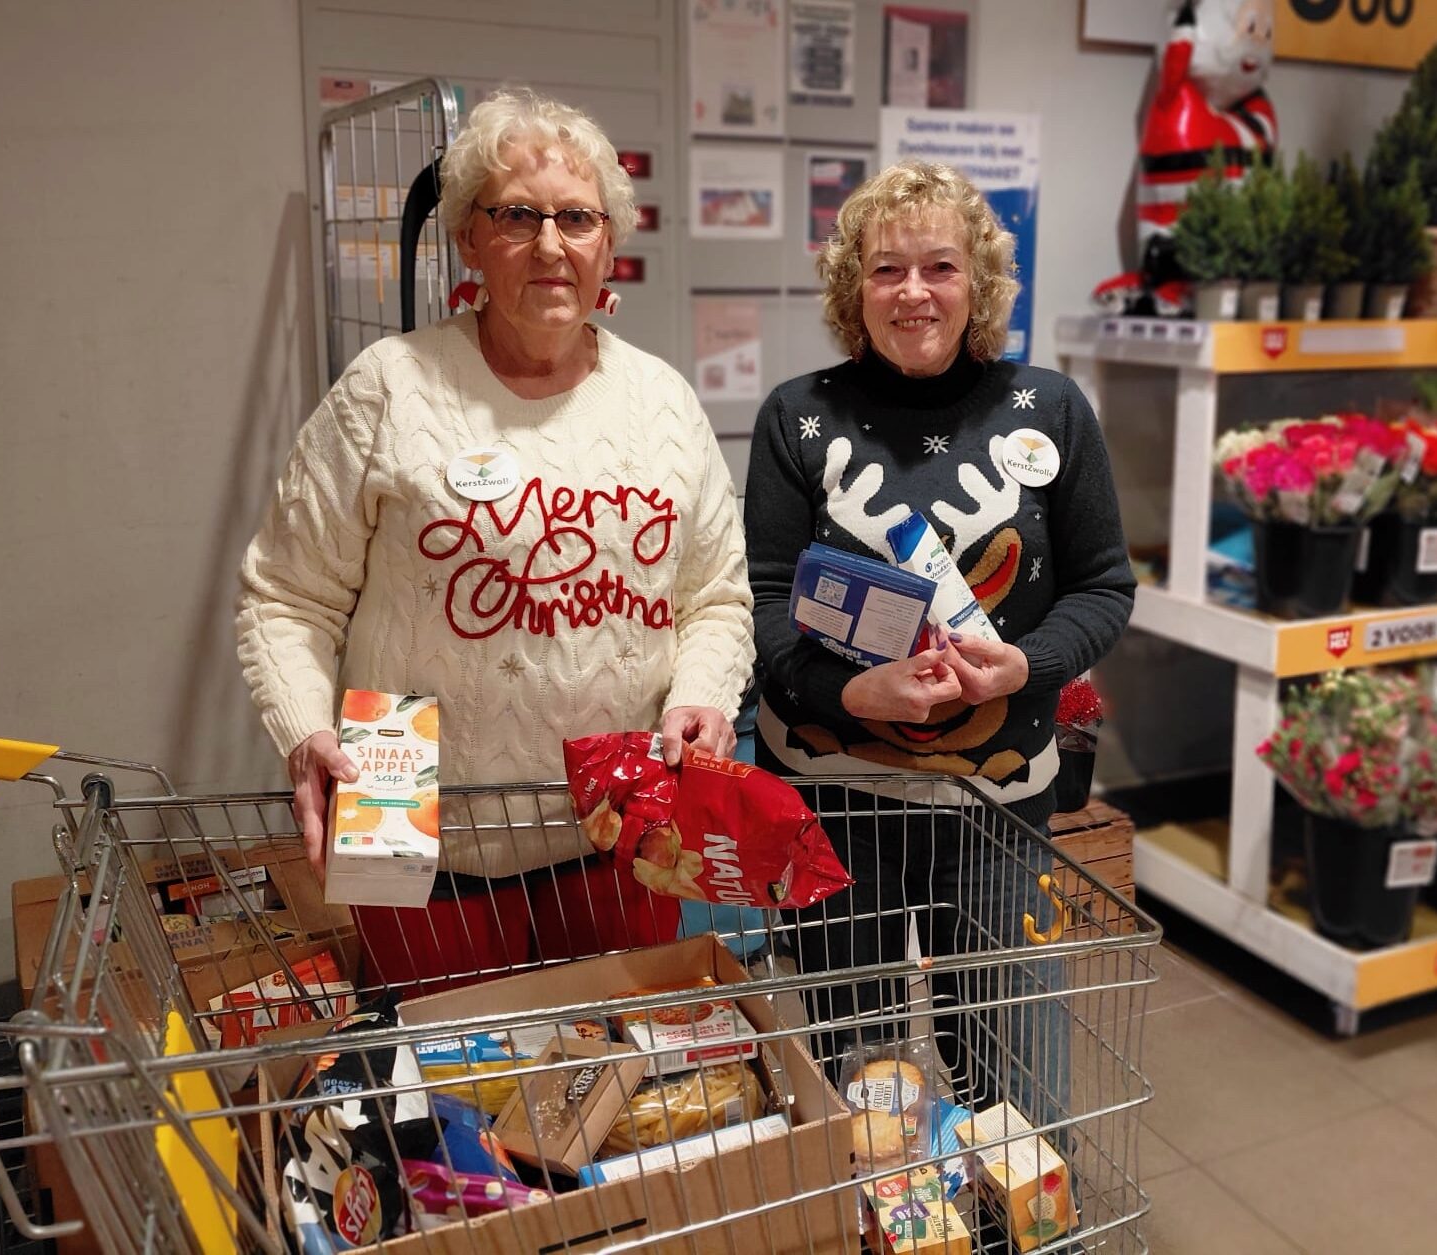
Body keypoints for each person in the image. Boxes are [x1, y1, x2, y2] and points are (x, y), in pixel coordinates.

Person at [237, 88, 753, 992]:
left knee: (624, 1081)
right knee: (451, 1096)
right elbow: (285, 595)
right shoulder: (388, 388)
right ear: (469, 238)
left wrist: (703, 694)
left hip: (620, 819)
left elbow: (713, 597)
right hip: (402, 804)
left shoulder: (663, 403)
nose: (551, 244)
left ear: (609, 246)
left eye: (578, 218)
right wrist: (306, 731)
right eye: (518, 215)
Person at [743, 161, 1135, 1131]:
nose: (913, 291)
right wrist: (852, 695)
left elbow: (1104, 588)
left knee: (1016, 1078)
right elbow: (760, 605)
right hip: (836, 808)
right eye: (885, 270)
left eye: (940, 267)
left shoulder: (1050, 411)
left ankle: (1022, 1233)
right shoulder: (797, 418)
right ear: (852, 289)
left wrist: (1028, 663)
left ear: (980, 284)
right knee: (862, 1082)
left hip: (997, 809)